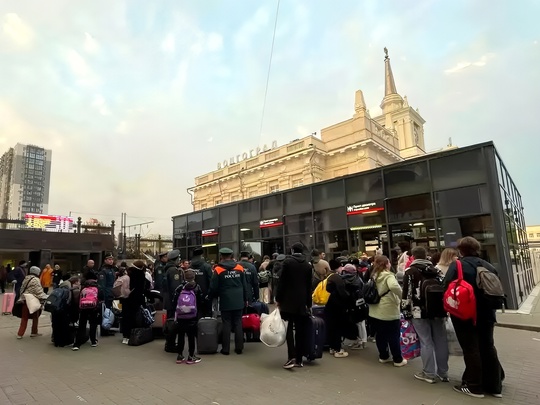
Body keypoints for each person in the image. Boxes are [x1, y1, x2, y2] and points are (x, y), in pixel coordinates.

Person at [443, 237, 503, 399]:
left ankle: (474, 386)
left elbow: (446, 285)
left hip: (465, 313)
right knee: (488, 346)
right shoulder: (488, 266)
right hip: (488, 313)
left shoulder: (458, 265)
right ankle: (495, 386)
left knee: (471, 348)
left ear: (461, 250)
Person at [402, 247, 449, 384]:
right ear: (426, 255)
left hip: (419, 312)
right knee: (440, 340)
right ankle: (443, 372)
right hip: (438, 311)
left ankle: (429, 373)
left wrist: (406, 312)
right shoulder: (436, 271)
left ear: (413, 256)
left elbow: (407, 294)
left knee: (426, 341)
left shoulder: (410, 272)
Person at [275, 242, 312, 369]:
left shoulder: (287, 263)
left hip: (287, 301)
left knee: (288, 328)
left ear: (292, 250)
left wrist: (278, 298)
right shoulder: (307, 265)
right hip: (301, 302)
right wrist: (309, 303)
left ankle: (291, 357)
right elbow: (309, 286)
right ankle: (300, 359)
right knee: (300, 330)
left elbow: (282, 283)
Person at [208, 248, 249, 356]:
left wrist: (212, 296)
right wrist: (246, 299)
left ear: (221, 256)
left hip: (226, 299)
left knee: (226, 323)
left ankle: (225, 349)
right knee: (238, 323)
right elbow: (245, 285)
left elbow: (213, 287)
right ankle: (239, 348)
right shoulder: (240, 268)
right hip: (239, 299)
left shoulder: (218, 269)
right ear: (231, 255)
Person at [368, 255, 407, 367]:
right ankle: (397, 359)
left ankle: (383, 356)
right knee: (393, 335)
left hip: (375, 310)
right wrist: (401, 296)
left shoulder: (374, 275)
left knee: (380, 335)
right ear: (386, 264)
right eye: (389, 262)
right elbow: (394, 286)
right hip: (388, 309)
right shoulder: (388, 276)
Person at [173, 269, 203, 364]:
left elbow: (174, 300)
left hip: (181, 316)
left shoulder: (180, 287)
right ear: (194, 277)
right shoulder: (197, 287)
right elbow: (201, 301)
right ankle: (191, 356)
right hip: (192, 316)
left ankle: (179, 355)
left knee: (181, 335)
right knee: (191, 336)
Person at [325, 264, 351, 358]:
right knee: (337, 328)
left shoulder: (328, 277)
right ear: (338, 268)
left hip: (329, 306)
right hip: (337, 306)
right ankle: (338, 350)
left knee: (331, 327)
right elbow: (342, 293)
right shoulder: (337, 278)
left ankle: (332, 347)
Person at [121, 261, 150, 345]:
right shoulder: (141, 275)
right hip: (136, 299)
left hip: (125, 298)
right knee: (134, 317)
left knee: (125, 317)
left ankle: (125, 336)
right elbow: (144, 288)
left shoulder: (127, 273)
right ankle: (132, 335)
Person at [16, 266, 48, 339]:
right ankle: (34, 332)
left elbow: (22, 289)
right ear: (37, 272)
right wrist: (45, 297)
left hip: (25, 299)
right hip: (33, 300)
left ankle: (20, 334)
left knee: (24, 318)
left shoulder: (26, 278)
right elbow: (38, 291)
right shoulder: (36, 279)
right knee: (35, 317)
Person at [341, 263, 367, 350]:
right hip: (359, 303)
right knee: (360, 323)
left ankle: (361, 342)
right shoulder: (357, 279)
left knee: (359, 323)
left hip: (353, 304)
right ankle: (360, 341)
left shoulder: (346, 280)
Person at [72, 270, 100, 351]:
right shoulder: (97, 286)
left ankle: (77, 344)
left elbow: (79, 298)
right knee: (93, 324)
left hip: (83, 308)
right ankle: (93, 341)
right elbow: (101, 297)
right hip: (94, 308)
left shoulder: (84, 287)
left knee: (82, 325)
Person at [162, 250, 183, 352]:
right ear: (176, 259)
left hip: (168, 300)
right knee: (173, 323)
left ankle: (169, 343)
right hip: (173, 301)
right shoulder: (174, 270)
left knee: (170, 321)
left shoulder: (167, 269)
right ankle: (170, 345)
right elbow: (176, 288)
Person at [52, 275, 80, 347]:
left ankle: (56, 341)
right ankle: (63, 342)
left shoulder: (63, 284)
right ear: (75, 282)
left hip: (56, 307)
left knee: (56, 325)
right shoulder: (68, 286)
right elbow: (69, 299)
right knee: (63, 325)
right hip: (62, 308)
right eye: (78, 282)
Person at [190, 247, 213, 317]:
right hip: (205, 295)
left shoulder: (190, 267)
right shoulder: (206, 266)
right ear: (201, 255)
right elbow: (211, 281)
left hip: (192, 295)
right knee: (207, 314)